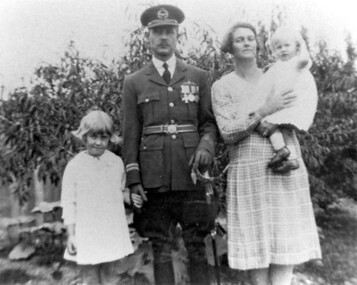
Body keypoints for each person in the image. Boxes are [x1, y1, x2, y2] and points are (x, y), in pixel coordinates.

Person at [211, 22, 321, 285]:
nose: (247, 43)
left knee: (285, 243)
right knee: (255, 251)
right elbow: (227, 132)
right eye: (239, 40)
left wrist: (281, 120)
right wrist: (264, 109)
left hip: (285, 164)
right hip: (248, 169)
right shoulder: (222, 87)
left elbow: (302, 107)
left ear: (260, 45)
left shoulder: (280, 72)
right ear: (230, 48)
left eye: (251, 38)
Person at [122, 4, 218, 285]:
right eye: (157, 32)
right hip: (154, 178)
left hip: (191, 174)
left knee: (197, 246)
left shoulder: (198, 76)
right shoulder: (134, 81)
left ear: (177, 36)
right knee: (160, 247)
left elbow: (209, 124)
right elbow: (130, 133)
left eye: (169, 31)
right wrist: (133, 178)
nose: (163, 37)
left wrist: (205, 148)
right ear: (148, 37)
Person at [61, 110, 135, 285]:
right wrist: (71, 234)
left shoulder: (116, 163)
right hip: (87, 231)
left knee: (112, 276)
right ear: (84, 137)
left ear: (110, 138)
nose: (98, 143)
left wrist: (131, 197)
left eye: (104, 138)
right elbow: (69, 203)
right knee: (90, 277)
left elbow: (122, 191)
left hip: (111, 229)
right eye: (93, 137)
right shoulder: (75, 166)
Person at [253, 27, 318, 173]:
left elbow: (303, 59)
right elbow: (268, 81)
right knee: (283, 128)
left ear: (297, 47)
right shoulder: (277, 66)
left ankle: (281, 149)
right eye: (278, 47)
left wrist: (302, 43)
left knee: (270, 123)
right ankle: (291, 158)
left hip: (294, 103)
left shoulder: (298, 62)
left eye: (287, 45)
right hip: (285, 104)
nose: (283, 50)